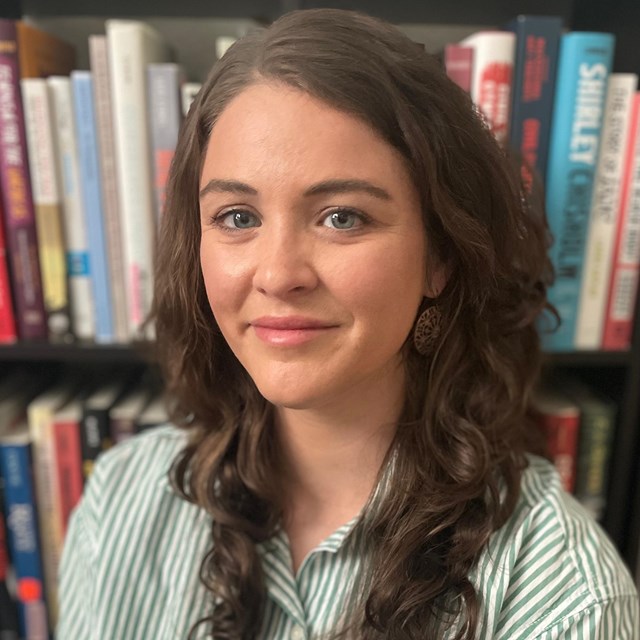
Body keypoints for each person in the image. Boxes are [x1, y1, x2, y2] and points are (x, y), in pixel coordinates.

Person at [57, 8, 639, 640]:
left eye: (342, 217)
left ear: (440, 258)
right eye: (236, 217)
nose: (278, 275)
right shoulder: (119, 499)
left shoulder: (567, 599)